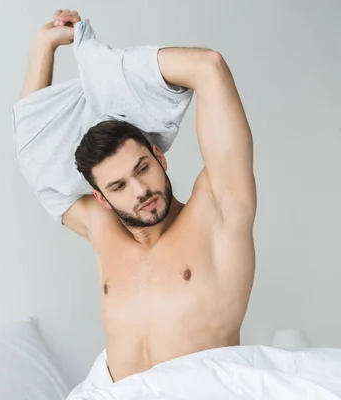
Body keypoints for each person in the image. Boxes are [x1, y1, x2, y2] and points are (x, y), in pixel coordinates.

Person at [19, 10, 257, 384]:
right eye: (118, 187)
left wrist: (102, 63)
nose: (140, 191)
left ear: (159, 157)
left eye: (142, 168)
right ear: (101, 198)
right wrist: (44, 46)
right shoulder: (103, 230)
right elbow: (37, 153)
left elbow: (208, 67)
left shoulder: (217, 211)